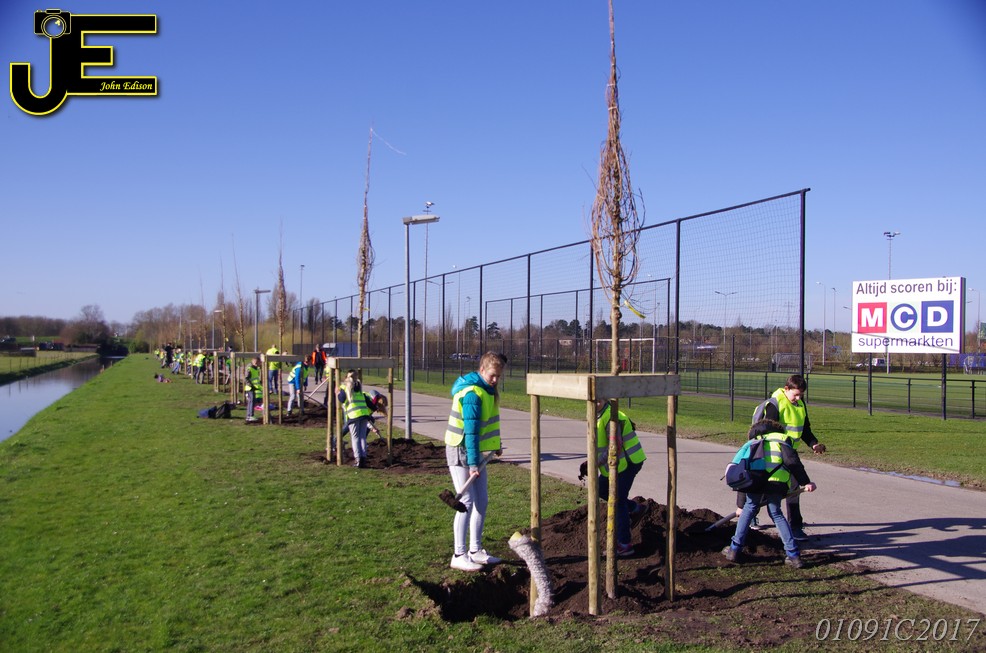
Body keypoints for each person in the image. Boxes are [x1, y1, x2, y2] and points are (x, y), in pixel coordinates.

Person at [722, 419, 817, 569]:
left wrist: (740, 505)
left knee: (749, 509)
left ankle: (734, 550)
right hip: (777, 484)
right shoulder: (782, 440)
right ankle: (793, 555)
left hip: (755, 482)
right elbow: (792, 462)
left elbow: (742, 471)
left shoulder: (753, 443)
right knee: (776, 514)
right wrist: (806, 482)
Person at [444, 351, 506, 572]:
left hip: (475, 451)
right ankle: (458, 554)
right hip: (461, 449)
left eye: (498, 376)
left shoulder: (487, 390)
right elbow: (470, 432)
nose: (495, 379)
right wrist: (472, 465)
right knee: (467, 501)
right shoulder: (472, 393)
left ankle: (475, 550)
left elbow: (486, 425)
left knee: (482, 500)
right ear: (482, 370)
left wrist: (496, 444)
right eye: (492, 375)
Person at [753, 374, 826, 540]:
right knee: (765, 486)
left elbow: (804, 429)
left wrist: (813, 444)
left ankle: (796, 527)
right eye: (796, 394)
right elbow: (767, 431)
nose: (798, 398)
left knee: (794, 489)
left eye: (801, 395)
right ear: (786, 389)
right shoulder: (775, 405)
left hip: (790, 452)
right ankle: (751, 514)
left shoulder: (800, 405)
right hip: (773, 453)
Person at [585, 397, 647, 557]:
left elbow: (615, 446)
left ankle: (624, 544)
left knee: (617, 500)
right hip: (617, 464)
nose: (595, 403)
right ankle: (635, 509)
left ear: (605, 399)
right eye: (592, 400)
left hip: (628, 462)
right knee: (601, 489)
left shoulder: (611, 417)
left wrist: (595, 463)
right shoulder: (597, 415)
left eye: (599, 400)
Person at [336, 374, 380, 468]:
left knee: (355, 438)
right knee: (362, 437)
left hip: (354, 416)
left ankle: (358, 459)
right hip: (364, 415)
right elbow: (368, 402)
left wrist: (337, 393)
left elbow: (342, 399)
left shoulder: (345, 389)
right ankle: (363, 458)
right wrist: (375, 408)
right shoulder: (359, 391)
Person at [244, 357, 262, 423]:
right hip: (250, 388)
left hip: (253, 387)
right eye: (259, 363)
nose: (260, 364)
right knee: (251, 401)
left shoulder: (256, 368)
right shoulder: (250, 368)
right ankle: (250, 415)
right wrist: (251, 385)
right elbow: (246, 378)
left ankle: (249, 415)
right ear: (256, 362)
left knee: (252, 401)